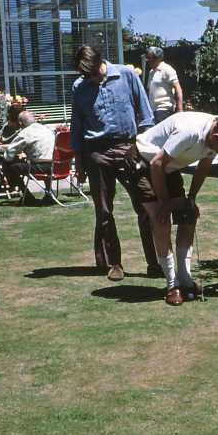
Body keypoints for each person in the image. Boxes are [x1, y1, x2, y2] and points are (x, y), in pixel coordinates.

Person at [133, 111, 218, 305]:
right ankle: (172, 285)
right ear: (216, 137)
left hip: (167, 166)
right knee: (161, 220)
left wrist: (191, 198)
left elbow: (204, 166)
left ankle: (185, 279)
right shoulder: (189, 132)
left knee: (188, 213)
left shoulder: (217, 135)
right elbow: (156, 163)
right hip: (143, 161)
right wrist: (165, 204)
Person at [71, 45, 161, 281]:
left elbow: (146, 116)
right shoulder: (79, 87)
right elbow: (77, 126)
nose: (89, 79)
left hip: (128, 148)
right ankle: (114, 264)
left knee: (146, 205)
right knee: (104, 211)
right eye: (85, 75)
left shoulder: (127, 75)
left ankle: (155, 261)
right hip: (96, 152)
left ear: (100, 62)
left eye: (91, 73)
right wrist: (79, 161)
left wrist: (143, 148)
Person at [0, 110, 55, 204]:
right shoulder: (47, 129)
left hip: (40, 167)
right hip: (55, 166)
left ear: (20, 123)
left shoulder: (25, 133)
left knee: (9, 166)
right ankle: (49, 194)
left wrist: (10, 158)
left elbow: (9, 152)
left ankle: (27, 195)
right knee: (25, 164)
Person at [145, 46, 183, 123]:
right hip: (153, 110)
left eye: (149, 58)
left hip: (164, 110)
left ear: (157, 58)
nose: (147, 60)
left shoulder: (167, 69)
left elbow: (178, 88)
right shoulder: (151, 72)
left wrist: (180, 109)